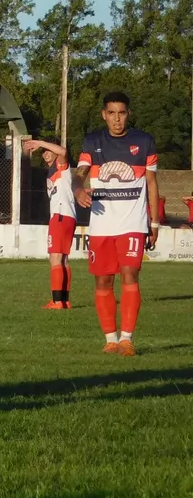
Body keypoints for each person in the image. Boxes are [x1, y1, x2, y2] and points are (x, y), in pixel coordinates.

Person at [74, 91, 158, 356]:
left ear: (128, 114)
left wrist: (153, 223)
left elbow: (152, 184)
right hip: (101, 224)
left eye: (121, 113)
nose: (117, 119)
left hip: (133, 222)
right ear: (104, 115)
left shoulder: (144, 142)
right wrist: (78, 190)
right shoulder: (92, 141)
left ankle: (127, 339)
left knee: (130, 274)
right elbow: (79, 175)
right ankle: (110, 339)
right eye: (111, 113)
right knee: (103, 281)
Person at [24, 139, 76, 309]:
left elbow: (62, 151)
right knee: (63, 259)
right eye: (44, 152)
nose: (45, 153)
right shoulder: (53, 171)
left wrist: (40, 142)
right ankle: (64, 300)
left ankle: (56, 301)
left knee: (55, 257)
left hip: (60, 216)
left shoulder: (61, 164)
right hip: (66, 216)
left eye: (48, 150)